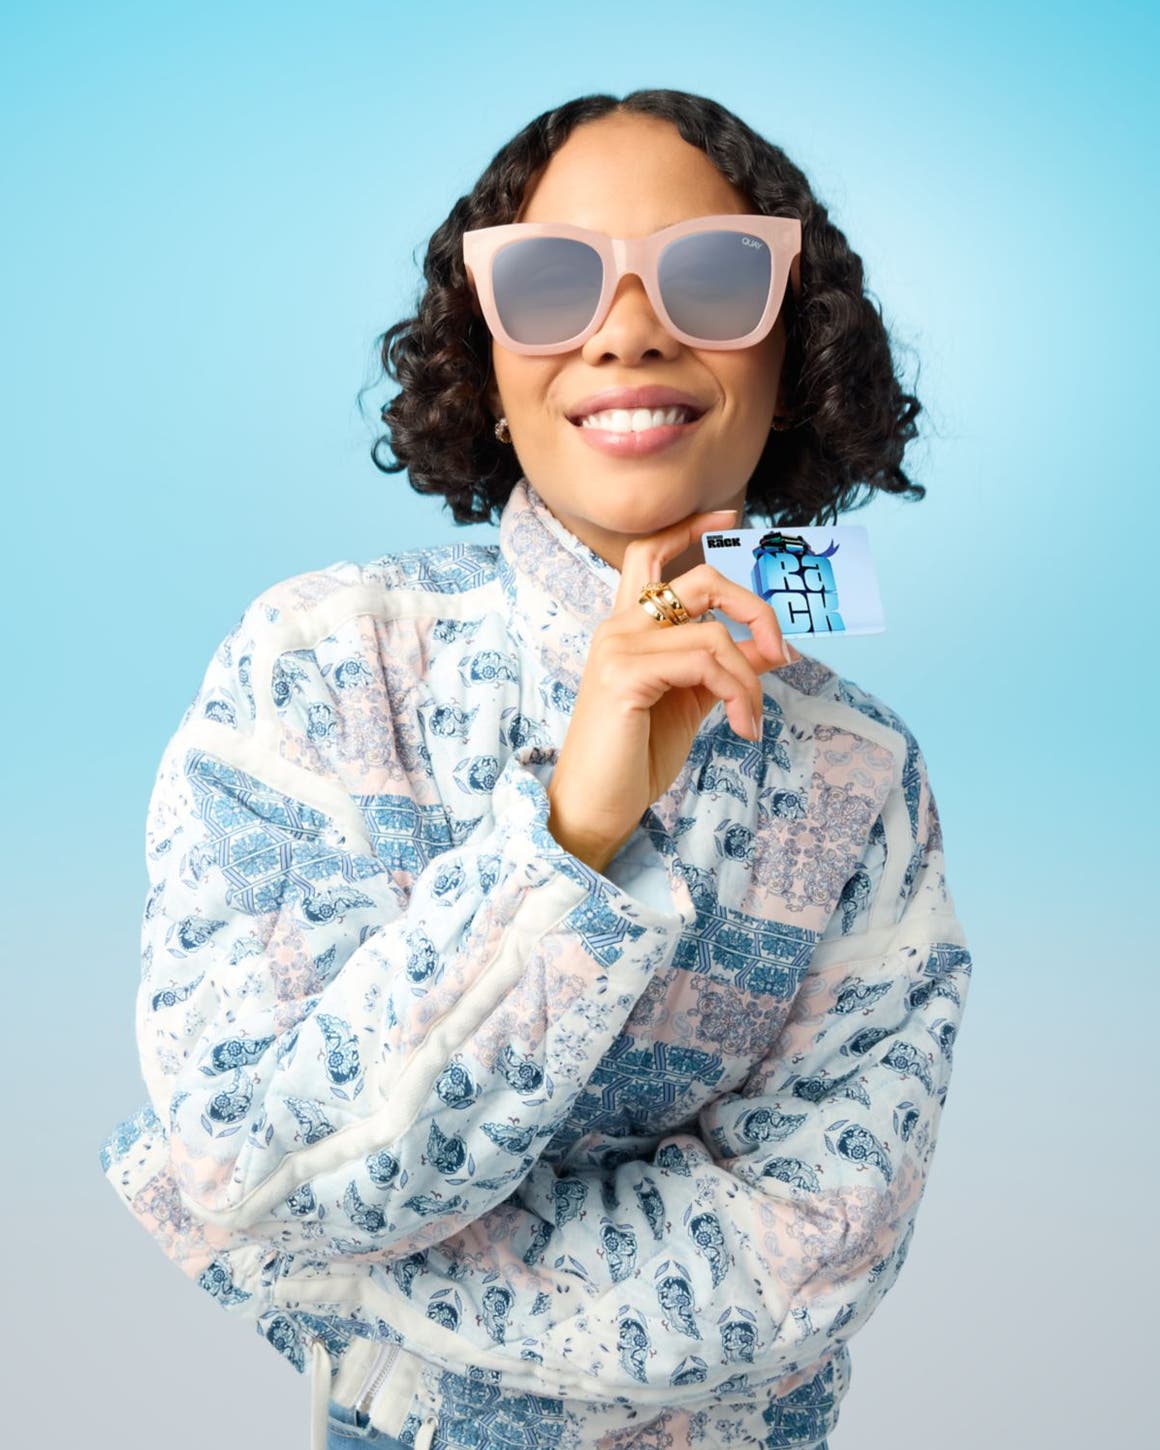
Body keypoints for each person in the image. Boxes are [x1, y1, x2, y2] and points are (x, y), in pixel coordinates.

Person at [99, 88, 973, 1450]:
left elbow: (812, 1253)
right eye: (554, 282)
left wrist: (377, 1296)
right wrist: (569, 831)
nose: (628, 325)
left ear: (796, 349)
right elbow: (254, 1157)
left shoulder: (861, 774)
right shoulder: (323, 665)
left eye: (712, 272)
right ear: (483, 354)